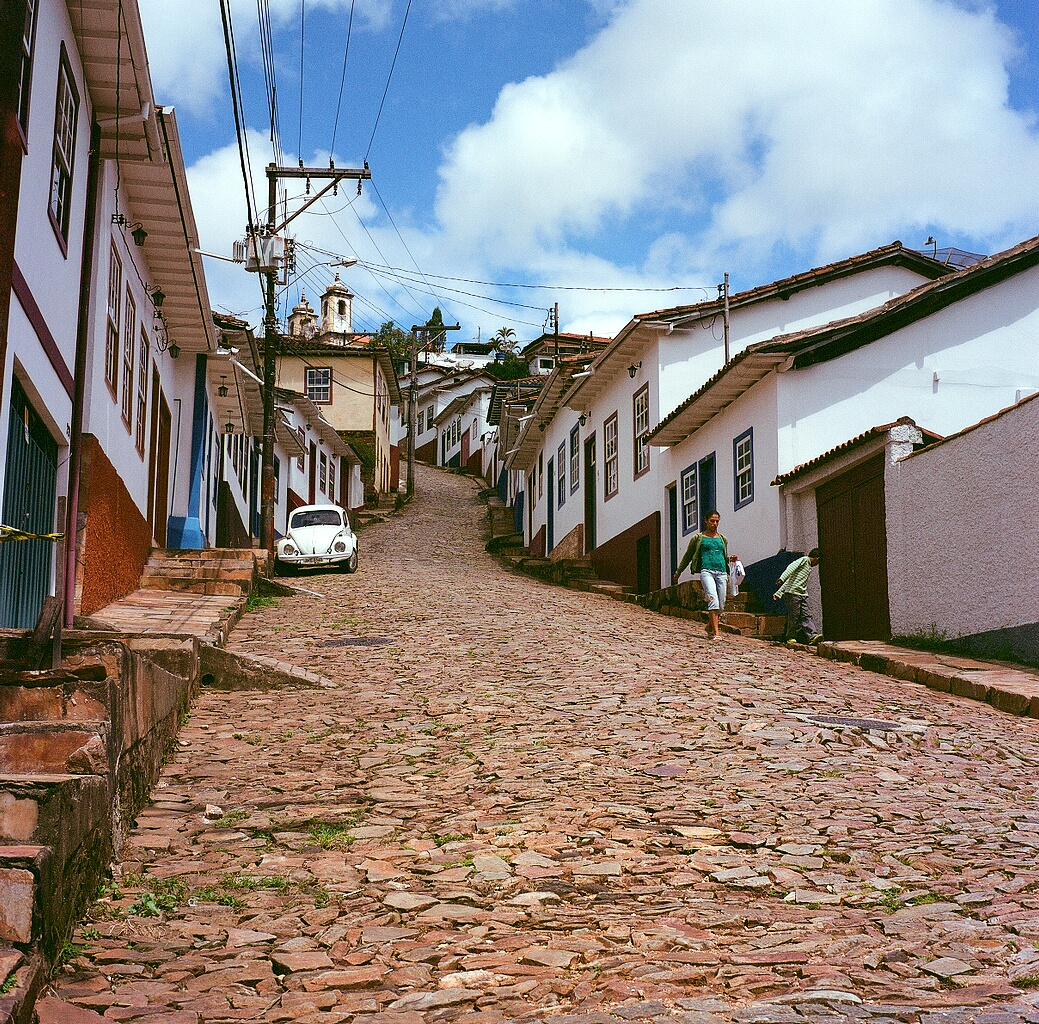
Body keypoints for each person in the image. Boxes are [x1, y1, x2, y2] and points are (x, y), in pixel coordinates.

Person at [672, 510, 737, 640]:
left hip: (722, 572)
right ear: (706, 521)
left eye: (717, 521)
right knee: (713, 600)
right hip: (706, 571)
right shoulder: (698, 538)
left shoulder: (723, 539)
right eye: (712, 521)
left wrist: (730, 559)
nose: (714, 523)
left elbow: (722, 556)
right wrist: (678, 572)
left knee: (722, 604)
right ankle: (716, 633)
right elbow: (688, 556)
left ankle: (709, 626)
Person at [773, 548, 822, 644]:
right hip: (792, 594)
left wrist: (779, 592)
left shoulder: (807, 567)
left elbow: (791, 580)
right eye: (818, 562)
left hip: (802, 594)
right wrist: (782, 578)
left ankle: (812, 636)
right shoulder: (804, 560)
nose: (816, 565)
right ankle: (790, 636)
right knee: (794, 616)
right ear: (817, 558)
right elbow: (791, 568)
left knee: (806, 615)